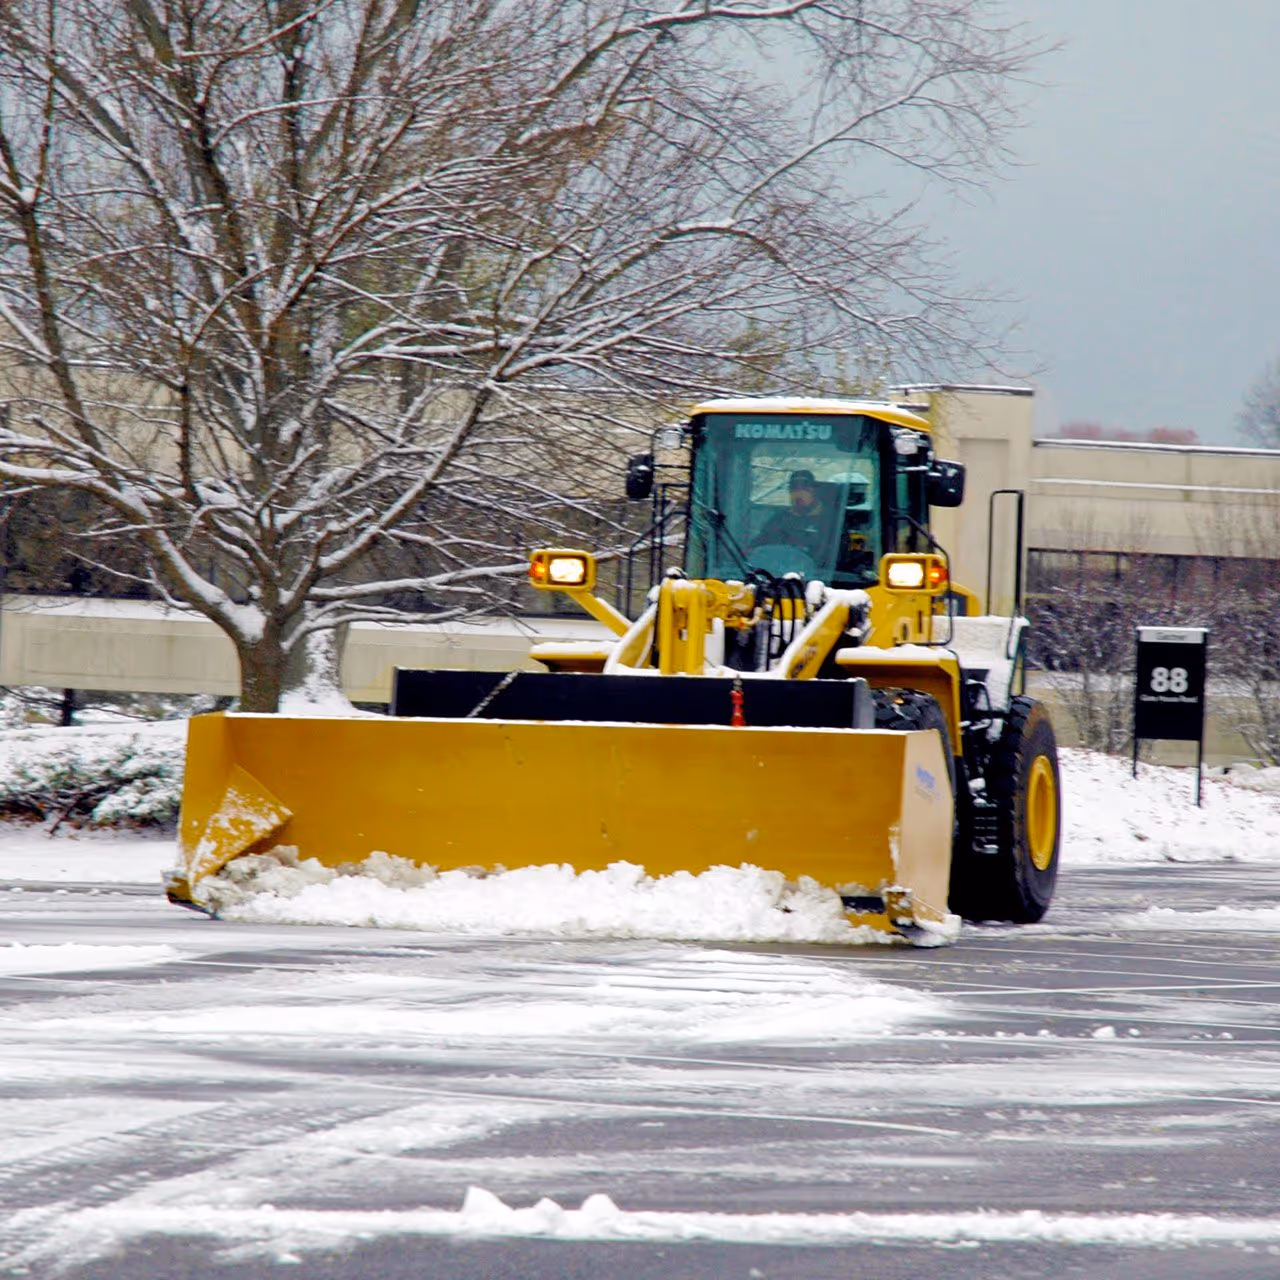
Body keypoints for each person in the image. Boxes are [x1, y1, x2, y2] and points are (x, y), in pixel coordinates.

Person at [757, 469, 830, 553]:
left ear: (815, 490)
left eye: (805, 488)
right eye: (794, 489)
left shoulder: (834, 520)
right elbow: (758, 543)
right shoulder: (780, 518)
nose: (799, 493)